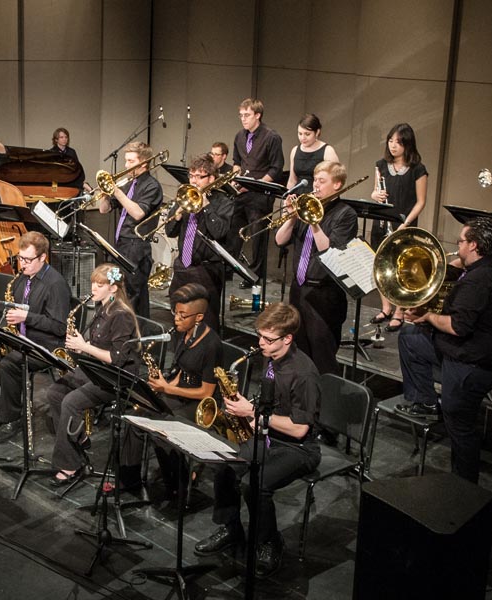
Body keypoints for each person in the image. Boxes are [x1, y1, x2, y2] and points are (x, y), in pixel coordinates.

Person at [194, 303, 320, 578]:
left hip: (298, 448)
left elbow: (299, 429)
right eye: (260, 336)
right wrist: (246, 407)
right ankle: (231, 528)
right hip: (267, 434)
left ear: (287, 338)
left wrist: (251, 413)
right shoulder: (270, 356)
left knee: (255, 483)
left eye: (267, 339)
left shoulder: (304, 374)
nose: (260, 343)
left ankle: (269, 542)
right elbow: (270, 404)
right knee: (225, 465)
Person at [395, 217, 492, 483]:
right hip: (480, 355)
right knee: (410, 336)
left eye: (461, 241)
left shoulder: (478, 280)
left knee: (461, 430)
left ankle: (463, 488)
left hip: (470, 366)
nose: (457, 246)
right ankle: (426, 401)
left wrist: (427, 316)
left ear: (473, 245)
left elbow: (458, 326)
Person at [46, 264, 141, 486]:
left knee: (70, 402)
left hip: (115, 376)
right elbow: (98, 344)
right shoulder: (103, 307)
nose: (94, 289)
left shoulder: (121, 316)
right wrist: (82, 346)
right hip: (96, 367)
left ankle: (70, 464)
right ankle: (79, 438)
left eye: (100, 285)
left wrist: (85, 347)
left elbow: (116, 358)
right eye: (93, 284)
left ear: (113, 288)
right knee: (55, 392)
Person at [0, 231, 71, 443]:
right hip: (23, 337)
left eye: (28, 260)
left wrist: (27, 317)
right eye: (20, 258)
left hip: (46, 345)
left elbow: (59, 326)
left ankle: (11, 419)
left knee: (9, 365)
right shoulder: (23, 278)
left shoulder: (55, 285)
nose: (23, 264)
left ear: (42, 258)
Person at [274, 161, 357, 374]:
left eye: (322, 181)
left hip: (324, 295)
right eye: (315, 180)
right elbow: (279, 240)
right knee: (299, 354)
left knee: (323, 357)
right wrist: (292, 217)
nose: (316, 186)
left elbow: (329, 252)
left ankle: (326, 404)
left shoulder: (345, 214)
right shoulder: (305, 206)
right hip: (299, 290)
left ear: (337, 185)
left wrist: (313, 221)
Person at [147, 283, 223, 500]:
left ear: (199, 317)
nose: (176, 319)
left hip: (201, 404)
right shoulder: (184, 333)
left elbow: (207, 392)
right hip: (181, 391)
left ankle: (179, 484)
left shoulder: (211, 345)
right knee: (144, 414)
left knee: (164, 431)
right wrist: (164, 385)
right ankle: (162, 474)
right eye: (175, 312)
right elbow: (182, 368)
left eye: (182, 315)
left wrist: (167, 388)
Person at [369, 123, 429, 332]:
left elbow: (421, 201)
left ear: (408, 144)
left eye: (398, 142)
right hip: (382, 223)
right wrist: (374, 195)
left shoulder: (418, 169)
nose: (393, 146)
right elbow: (376, 192)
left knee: (400, 269)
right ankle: (385, 308)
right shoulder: (381, 165)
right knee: (381, 267)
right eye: (391, 141)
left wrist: (405, 224)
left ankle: (399, 311)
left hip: (404, 224)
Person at [164, 153, 233, 330]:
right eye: (191, 175)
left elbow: (220, 232)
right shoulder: (185, 196)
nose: (194, 181)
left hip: (206, 270)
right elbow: (170, 232)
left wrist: (206, 205)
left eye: (199, 177)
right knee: (179, 318)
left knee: (207, 321)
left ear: (212, 178)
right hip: (182, 267)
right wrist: (176, 216)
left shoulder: (223, 202)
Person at [98, 141, 164, 318]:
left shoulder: (152, 186)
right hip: (121, 245)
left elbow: (138, 213)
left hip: (137, 247)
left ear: (143, 163)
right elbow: (103, 209)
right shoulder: (128, 184)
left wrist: (117, 192)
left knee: (132, 297)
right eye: (126, 161)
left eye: (130, 161)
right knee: (120, 291)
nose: (126, 166)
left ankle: (131, 336)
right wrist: (104, 193)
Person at [229, 98, 284, 289]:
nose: (243, 119)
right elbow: (236, 161)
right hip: (242, 192)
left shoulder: (271, 137)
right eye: (241, 115)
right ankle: (231, 268)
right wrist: (236, 176)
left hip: (260, 195)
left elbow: (276, 168)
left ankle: (254, 276)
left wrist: (257, 184)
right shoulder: (239, 136)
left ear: (257, 115)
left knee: (257, 237)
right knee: (233, 230)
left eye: (247, 115)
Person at [286, 114, 340, 196]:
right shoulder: (295, 151)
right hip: (297, 198)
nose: (302, 138)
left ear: (317, 132)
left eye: (307, 134)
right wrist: (286, 199)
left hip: (318, 198)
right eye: (300, 134)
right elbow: (292, 180)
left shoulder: (328, 151)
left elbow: (335, 182)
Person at [50, 127, 92, 194]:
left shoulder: (72, 152)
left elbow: (77, 167)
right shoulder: (52, 152)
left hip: (70, 176)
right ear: (56, 140)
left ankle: (82, 185)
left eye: (66, 137)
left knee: (74, 178)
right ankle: (83, 185)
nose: (64, 139)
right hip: (58, 178)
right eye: (61, 137)